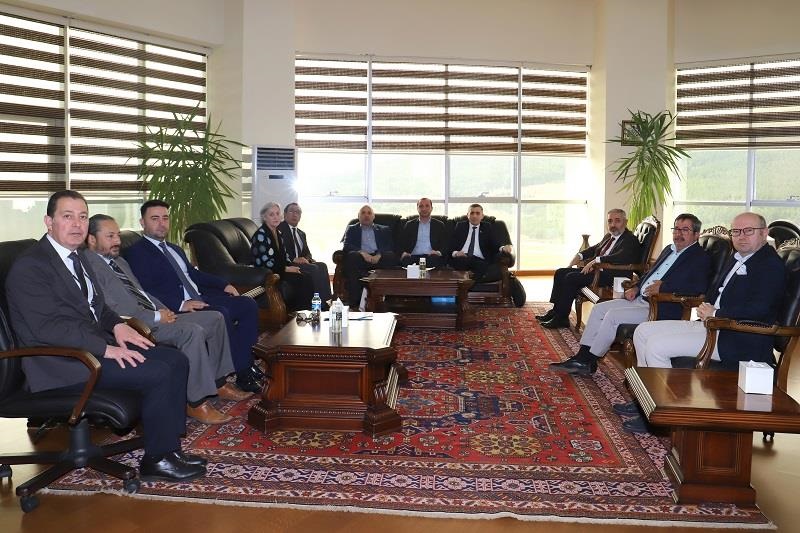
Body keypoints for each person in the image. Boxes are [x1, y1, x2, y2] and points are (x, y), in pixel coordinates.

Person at [5, 190, 205, 482]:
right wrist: (106, 348)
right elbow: (48, 329)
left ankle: (169, 449)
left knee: (175, 359)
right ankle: (158, 460)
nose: (77, 224)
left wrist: (118, 326)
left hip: (88, 348)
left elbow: (98, 307)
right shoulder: (31, 267)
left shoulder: (80, 257)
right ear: (49, 221)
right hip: (59, 362)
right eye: (67, 216)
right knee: (158, 372)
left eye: (83, 217)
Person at [86, 214, 252, 425]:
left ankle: (219, 383)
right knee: (192, 331)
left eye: (118, 235)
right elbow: (112, 310)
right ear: (92, 239)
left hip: (154, 313)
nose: (117, 241)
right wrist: (156, 316)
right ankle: (196, 402)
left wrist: (164, 309)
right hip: (136, 326)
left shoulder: (118, 261)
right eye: (110, 236)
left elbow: (142, 293)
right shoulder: (89, 267)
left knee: (216, 318)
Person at [123, 199, 264, 393]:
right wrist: (181, 304)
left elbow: (193, 274)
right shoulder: (137, 253)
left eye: (165, 218)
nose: (161, 223)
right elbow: (145, 290)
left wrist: (223, 284)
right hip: (175, 306)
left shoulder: (174, 248)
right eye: (154, 219)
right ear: (142, 222)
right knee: (221, 313)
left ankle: (245, 363)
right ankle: (242, 372)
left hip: (200, 296)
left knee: (247, 304)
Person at [549, 213, 711, 376]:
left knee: (612, 316)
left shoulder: (699, 257)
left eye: (685, 230)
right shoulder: (669, 249)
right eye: (676, 229)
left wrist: (664, 287)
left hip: (661, 306)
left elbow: (699, 287)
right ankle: (582, 355)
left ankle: (587, 361)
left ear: (696, 234)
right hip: (641, 298)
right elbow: (649, 274)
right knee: (599, 308)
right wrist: (637, 287)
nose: (678, 234)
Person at [634, 212, 786, 370]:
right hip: (712, 325)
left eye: (749, 231)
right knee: (642, 331)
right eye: (736, 231)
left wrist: (715, 313)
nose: (741, 236)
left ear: (764, 233)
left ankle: (663, 386)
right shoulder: (736, 257)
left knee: (657, 346)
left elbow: (760, 309)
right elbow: (714, 292)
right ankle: (646, 383)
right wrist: (706, 307)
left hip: (738, 338)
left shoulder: (770, 265)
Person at [537, 208, 641, 329]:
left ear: (625, 222)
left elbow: (620, 257)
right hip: (598, 272)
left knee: (571, 278)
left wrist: (596, 261)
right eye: (610, 221)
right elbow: (594, 249)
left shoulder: (630, 239)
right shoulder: (609, 236)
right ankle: (556, 311)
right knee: (561, 272)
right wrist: (579, 256)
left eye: (617, 221)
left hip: (612, 276)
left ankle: (561, 318)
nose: (613, 225)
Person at [252, 202, 315, 311]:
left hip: (279, 270)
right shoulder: (260, 235)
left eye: (277, 214)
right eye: (271, 214)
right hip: (267, 273)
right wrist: (287, 269)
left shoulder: (278, 233)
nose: (276, 217)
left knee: (306, 276)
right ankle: (298, 313)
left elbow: (284, 257)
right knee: (300, 279)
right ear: (264, 217)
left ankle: (305, 313)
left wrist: (291, 266)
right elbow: (264, 262)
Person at [342, 205, 398, 309]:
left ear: (373, 216)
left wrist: (379, 254)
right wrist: (362, 252)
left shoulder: (384, 229)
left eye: (369, 213)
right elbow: (347, 245)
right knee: (351, 256)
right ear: (358, 216)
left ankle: (388, 298)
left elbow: (390, 245)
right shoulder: (352, 229)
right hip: (361, 258)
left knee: (390, 256)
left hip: (379, 258)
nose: (366, 215)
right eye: (363, 213)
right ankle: (355, 301)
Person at [277, 202, 332, 307]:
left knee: (322, 266)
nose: (295, 214)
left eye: (298, 212)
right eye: (291, 211)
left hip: (302, 263)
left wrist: (306, 259)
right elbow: (279, 251)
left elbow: (307, 253)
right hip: (289, 264)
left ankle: (326, 303)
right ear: (285, 214)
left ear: (300, 216)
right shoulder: (279, 229)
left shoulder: (301, 233)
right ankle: (317, 306)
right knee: (313, 269)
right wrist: (294, 259)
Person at [449, 203, 512, 281]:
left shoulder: (487, 227)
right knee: (464, 262)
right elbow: (451, 245)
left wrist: (503, 248)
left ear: (482, 216)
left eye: (477, 213)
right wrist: (456, 253)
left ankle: (469, 283)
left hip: (479, 260)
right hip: (462, 258)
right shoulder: (460, 226)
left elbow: (495, 243)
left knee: (482, 265)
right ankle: (472, 282)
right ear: (468, 215)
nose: (474, 216)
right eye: (472, 213)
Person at [399, 197, 447, 268]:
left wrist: (438, 252)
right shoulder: (409, 225)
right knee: (405, 260)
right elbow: (401, 242)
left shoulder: (439, 225)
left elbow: (445, 244)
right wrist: (404, 253)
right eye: (421, 206)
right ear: (417, 208)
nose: (424, 209)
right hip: (413, 256)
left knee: (435, 260)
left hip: (431, 256)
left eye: (427, 206)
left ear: (431, 208)